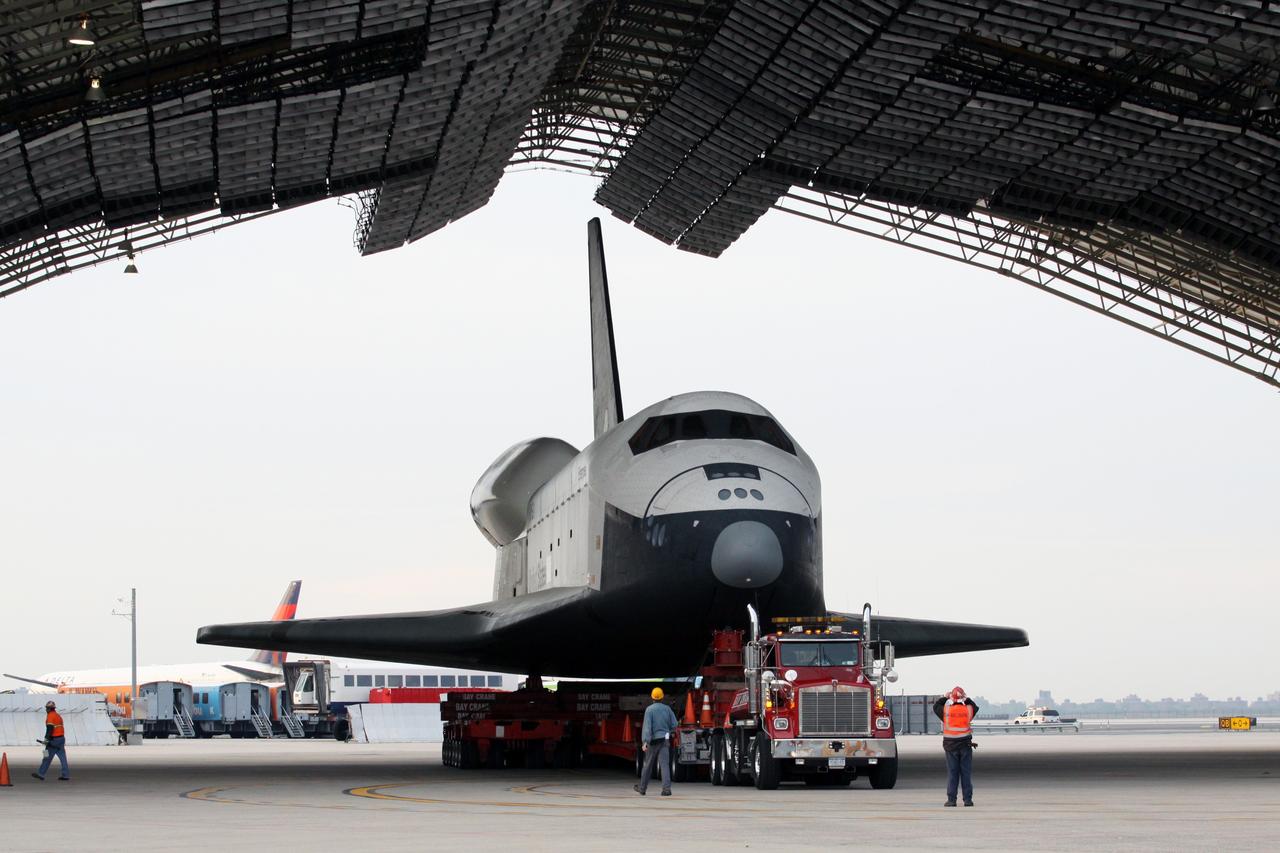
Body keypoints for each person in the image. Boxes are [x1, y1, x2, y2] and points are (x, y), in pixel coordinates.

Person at [933, 686, 978, 807]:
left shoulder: (946, 710)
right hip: (965, 745)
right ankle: (967, 800)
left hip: (950, 745)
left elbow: (935, 707)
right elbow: (975, 707)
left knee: (953, 773)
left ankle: (951, 800)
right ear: (962, 698)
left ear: (952, 698)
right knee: (965, 773)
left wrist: (945, 697)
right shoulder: (968, 709)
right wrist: (966, 698)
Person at [634, 687, 678, 797]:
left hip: (653, 742)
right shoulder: (667, 709)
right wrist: (668, 731)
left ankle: (642, 788)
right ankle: (666, 789)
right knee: (664, 765)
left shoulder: (649, 710)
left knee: (648, 765)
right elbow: (674, 725)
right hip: (664, 740)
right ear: (662, 697)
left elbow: (648, 728)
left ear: (652, 698)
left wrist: (645, 742)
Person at [32, 700, 71, 782]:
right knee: (63, 758)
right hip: (61, 739)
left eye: (46, 708)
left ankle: (41, 774)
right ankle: (65, 775)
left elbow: (50, 728)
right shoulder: (58, 716)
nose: (46, 710)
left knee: (46, 756)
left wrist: (46, 739)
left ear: (49, 709)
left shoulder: (50, 716)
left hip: (53, 740)